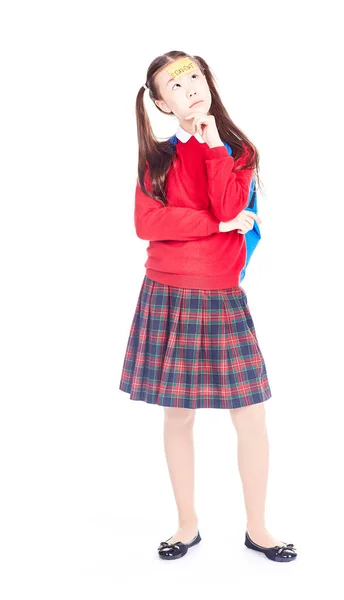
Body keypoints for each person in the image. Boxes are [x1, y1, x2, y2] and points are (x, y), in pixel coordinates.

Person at [119, 51, 297, 563]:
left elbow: (227, 205)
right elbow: (148, 225)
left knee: (250, 413)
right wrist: (215, 228)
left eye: (194, 76)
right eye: (175, 85)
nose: (190, 87)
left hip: (219, 294)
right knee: (179, 414)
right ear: (160, 102)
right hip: (167, 292)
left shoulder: (238, 153)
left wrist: (215, 148)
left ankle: (258, 528)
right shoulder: (155, 157)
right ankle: (186, 524)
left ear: (208, 81)